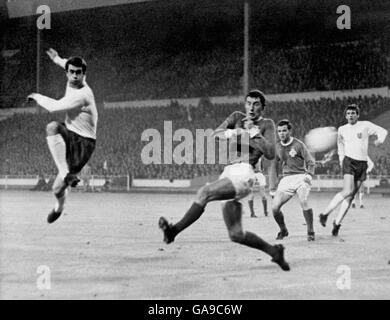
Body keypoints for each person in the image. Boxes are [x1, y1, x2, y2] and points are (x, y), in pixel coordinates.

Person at [158, 90, 290, 271]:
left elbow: (270, 153)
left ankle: (173, 231)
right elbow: (215, 134)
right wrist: (235, 131)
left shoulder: (267, 124)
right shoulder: (237, 117)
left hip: (245, 172)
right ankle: (275, 252)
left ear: (262, 107)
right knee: (236, 234)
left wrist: (253, 132)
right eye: (248, 103)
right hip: (228, 172)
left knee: (204, 193)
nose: (251, 107)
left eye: (256, 104)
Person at [27, 48, 98, 223]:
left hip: (84, 143)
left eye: (78, 73)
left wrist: (36, 96)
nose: (75, 76)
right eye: (71, 72)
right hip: (71, 132)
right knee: (52, 127)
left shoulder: (82, 95)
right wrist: (57, 59)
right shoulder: (72, 75)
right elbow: (66, 64)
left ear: (84, 75)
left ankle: (60, 203)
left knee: (57, 189)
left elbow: (54, 107)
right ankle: (64, 180)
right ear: (67, 73)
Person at [319, 104, 387, 236]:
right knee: (347, 191)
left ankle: (337, 224)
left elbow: (383, 131)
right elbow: (340, 146)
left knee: (350, 198)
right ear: (345, 116)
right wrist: (341, 160)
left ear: (358, 115)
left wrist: (380, 140)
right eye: (348, 113)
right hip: (348, 161)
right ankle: (324, 214)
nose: (350, 115)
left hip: (362, 163)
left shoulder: (365, 125)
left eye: (353, 113)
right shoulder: (342, 129)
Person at [272, 119, 316, 241]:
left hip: (301, 177)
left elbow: (311, 162)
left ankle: (310, 231)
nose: (281, 133)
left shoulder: (299, 145)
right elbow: (274, 165)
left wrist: (309, 175)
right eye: (279, 131)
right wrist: (273, 186)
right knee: (275, 208)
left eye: (284, 130)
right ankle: (283, 230)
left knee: (303, 201)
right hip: (286, 179)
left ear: (290, 131)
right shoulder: (277, 146)